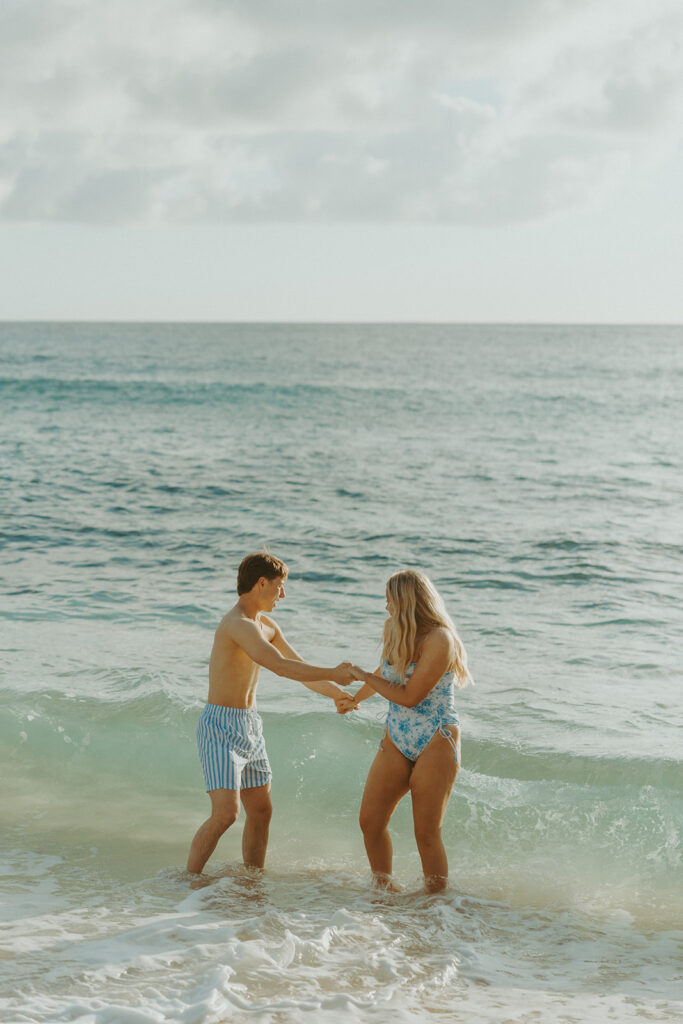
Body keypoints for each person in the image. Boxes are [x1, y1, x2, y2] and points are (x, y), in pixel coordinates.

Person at [186, 551, 356, 877]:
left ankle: (252, 882)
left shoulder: (267, 625)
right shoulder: (237, 624)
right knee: (226, 814)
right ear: (261, 583)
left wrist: (337, 694)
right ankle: (189, 881)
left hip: (250, 725)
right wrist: (335, 672)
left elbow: (299, 665)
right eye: (280, 586)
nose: (283, 594)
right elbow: (278, 666)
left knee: (261, 811)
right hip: (220, 726)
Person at [337, 569, 472, 893]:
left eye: (390, 602)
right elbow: (385, 675)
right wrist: (353, 699)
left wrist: (362, 677)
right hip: (397, 736)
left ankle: (435, 908)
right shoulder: (393, 629)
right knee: (370, 822)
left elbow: (411, 697)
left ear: (407, 602)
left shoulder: (440, 639)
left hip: (435, 738)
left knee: (426, 833)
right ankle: (383, 892)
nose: (386, 609)